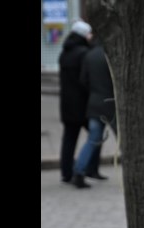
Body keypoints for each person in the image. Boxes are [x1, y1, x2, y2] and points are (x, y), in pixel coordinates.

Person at [72, 43, 117, 189]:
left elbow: (83, 80)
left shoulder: (89, 55)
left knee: (93, 139)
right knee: (124, 140)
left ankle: (79, 171)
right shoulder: (112, 53)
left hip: (94, 102)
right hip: (111, 103)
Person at [57, 20, 93, 184]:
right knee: (96, 135)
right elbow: (86, 80)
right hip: (82, 105)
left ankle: (66, 172)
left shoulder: (64, 52)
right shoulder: (84, 53)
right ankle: (87, 167)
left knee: (69, 139)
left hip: (67, 104)